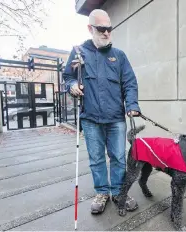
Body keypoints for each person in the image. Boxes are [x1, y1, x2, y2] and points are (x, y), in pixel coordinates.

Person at [62, 9, 141, 214]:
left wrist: (132, 105)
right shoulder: (79, 52)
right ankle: (102, 192)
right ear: (90, 28)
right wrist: (71, 85)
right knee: (96, 158)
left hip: (116, 118)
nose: (106, 33)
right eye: (101, 29)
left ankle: (118, 192)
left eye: (109, 29)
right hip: (90, 118)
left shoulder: (119, 56)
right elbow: (67, 77)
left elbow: (130, 83)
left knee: (118, 157)